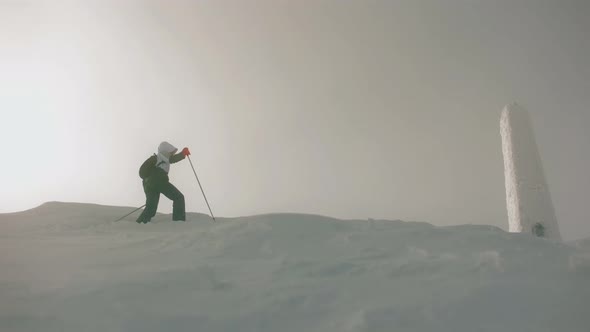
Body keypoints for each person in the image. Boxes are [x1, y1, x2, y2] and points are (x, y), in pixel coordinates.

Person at [136, 141, 191, 223]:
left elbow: (142, 173)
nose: (171, 154)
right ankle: (179, 221)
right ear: (165, 151)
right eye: (170, 152)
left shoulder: (158, 158)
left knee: (151, 207)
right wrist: (183, 154)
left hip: (149, 184)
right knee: (178, 197)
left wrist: (148, 181)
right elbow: (172, 159)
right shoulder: (161, 157)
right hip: (158, 181)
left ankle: (141, 223)